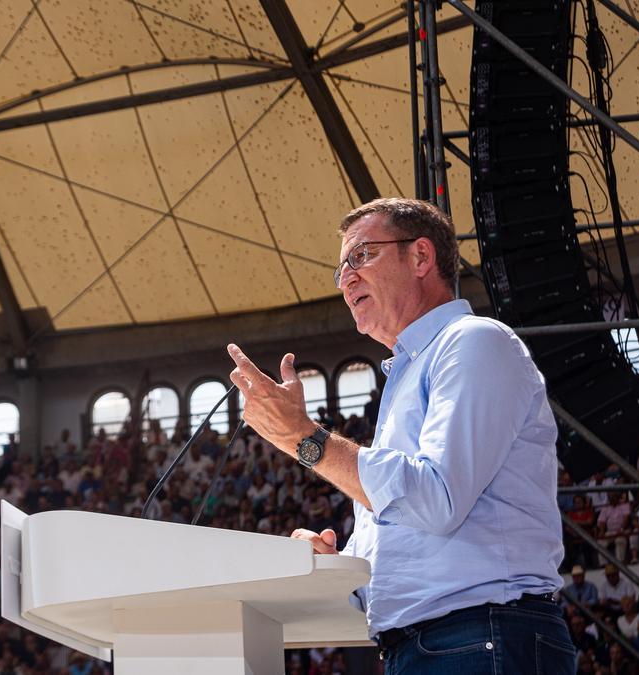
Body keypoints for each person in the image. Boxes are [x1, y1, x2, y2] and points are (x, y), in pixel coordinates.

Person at [227, 198, 571, 673]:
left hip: (480, 636)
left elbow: (437, 497)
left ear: (421, 257)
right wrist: (338, 571)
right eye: (339, 270)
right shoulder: (405, 379)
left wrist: (303, 439)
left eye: (361, 256)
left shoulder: (473, 341)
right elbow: (410, 544)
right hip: (423, 645)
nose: (346, 278)